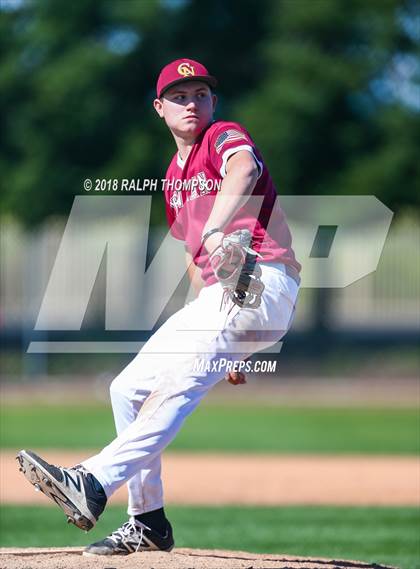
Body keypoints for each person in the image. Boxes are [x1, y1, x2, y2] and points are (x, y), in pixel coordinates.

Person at [17, 58, 301, 557]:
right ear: (159, 108)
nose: (192, 103)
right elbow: (197, 262)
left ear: (214, 103)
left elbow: (245, 167)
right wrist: (220, 333)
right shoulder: (173, 179)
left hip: (262, 278)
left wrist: (217, 228)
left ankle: (94, 480)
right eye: (179, 96)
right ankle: (147, 521)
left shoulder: (223, 138)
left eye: (201, 94)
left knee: (176, 386)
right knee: (127, 389)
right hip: (221, 298)